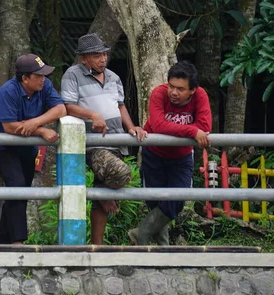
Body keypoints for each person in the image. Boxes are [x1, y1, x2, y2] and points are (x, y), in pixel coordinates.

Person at [60, 33, 146, 245]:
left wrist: (131, 126)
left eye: (104, 54)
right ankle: (103, 195)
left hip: (116, 140)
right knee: (119, 173)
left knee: (106, 188)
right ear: (84, 58)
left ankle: (97, 247)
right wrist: (92, 115)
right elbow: (67, 106)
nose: (103, 59)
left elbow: (120, 106)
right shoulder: (72, 75)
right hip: (93, 143)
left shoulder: (114, 77)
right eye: (96, 55)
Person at [130, 61, 211, 245]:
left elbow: (205, 127)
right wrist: (191, 131)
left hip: (181, 157)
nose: (174, 92)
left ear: (192, 90)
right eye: (171, 86)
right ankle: (163, 249)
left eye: (180, 89)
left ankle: (140, 233)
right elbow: (158, 125)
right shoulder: (159, 93)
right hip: (154, 154)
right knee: (155, 201)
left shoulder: (200, 96)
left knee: (177, 198)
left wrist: (180, 130)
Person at [0, 54, 66, 244]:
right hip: (4, 146)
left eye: (44, 75)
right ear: (25, 78)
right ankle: (18, 242)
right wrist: (40, 130)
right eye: (38, 75)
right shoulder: (8, 91)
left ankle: (3, 242)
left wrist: (35, 123)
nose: (43, 79)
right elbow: (9, 126)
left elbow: (61, 109)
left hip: (27, 147)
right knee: (16, 187)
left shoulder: (44, 86)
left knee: (21, 190)